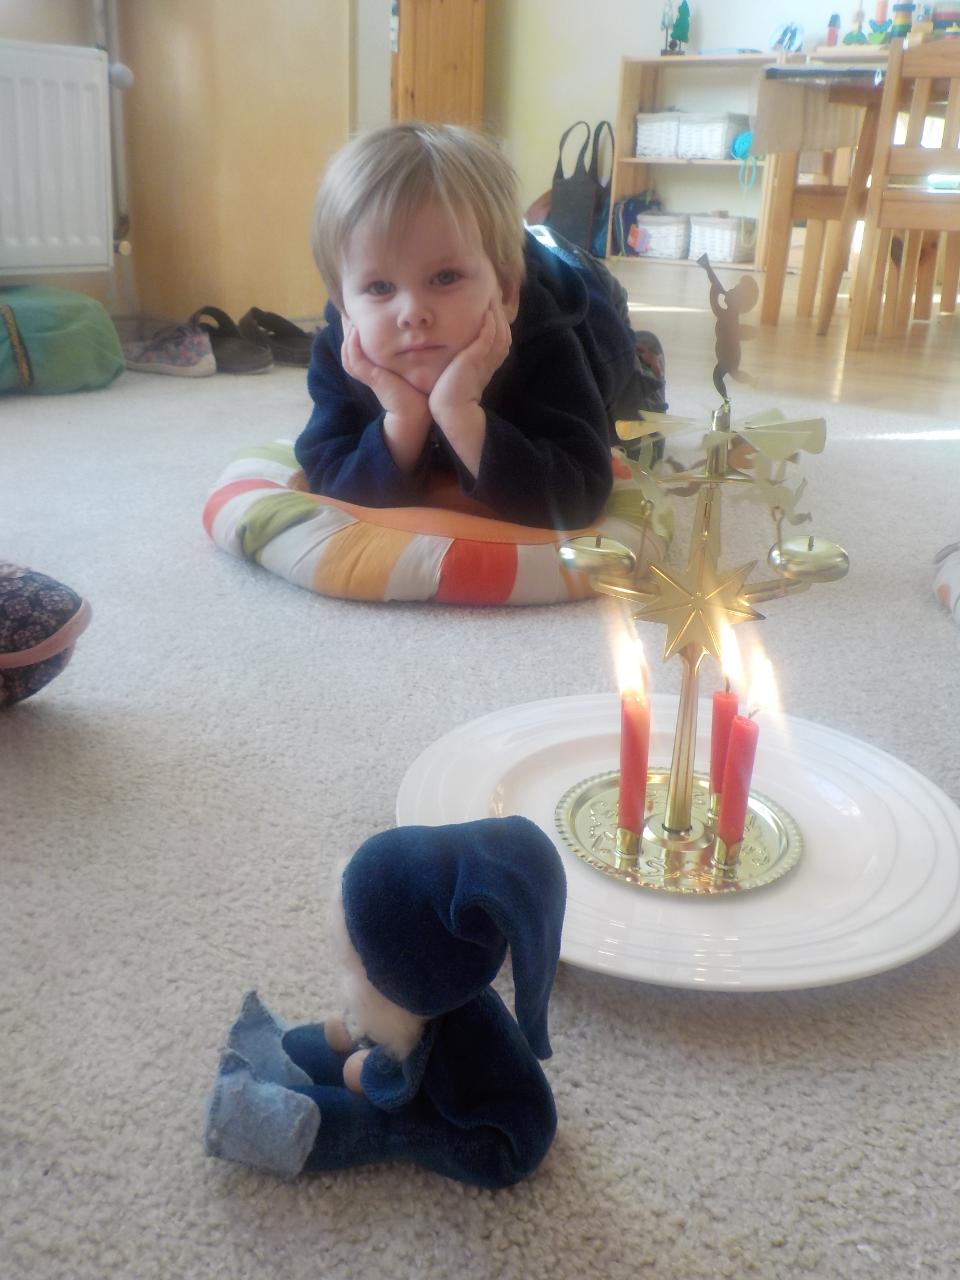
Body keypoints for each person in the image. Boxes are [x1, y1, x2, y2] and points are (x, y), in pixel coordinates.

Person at [294, 122, 666, 530]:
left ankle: (645, 358)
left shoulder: (547, 341)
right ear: (344, 309)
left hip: (587, 301)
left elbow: (579, 493)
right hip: (512, 263)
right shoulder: (341, 350)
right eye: (380, 287)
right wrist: (403, 422)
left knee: (636, 427)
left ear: (505, 294)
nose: (413, 313)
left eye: (445, 278)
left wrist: (459, 414)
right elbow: (330, 481)